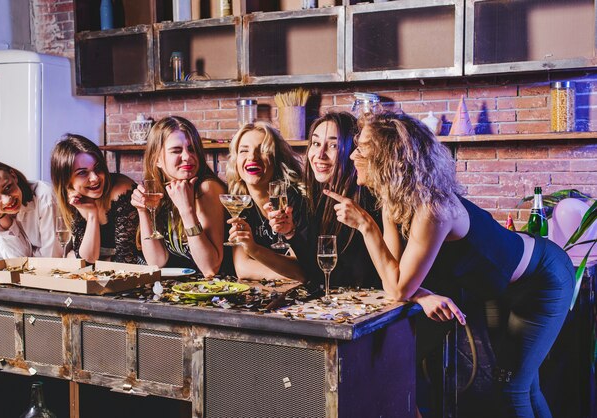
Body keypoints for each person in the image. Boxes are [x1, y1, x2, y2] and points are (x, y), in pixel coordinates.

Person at [324, 111, 574, 418]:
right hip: (501, 288)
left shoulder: (434, 207)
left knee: (512, 386)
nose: (352, 154)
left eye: (361, 147)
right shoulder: (395, 198)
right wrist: (421, 294)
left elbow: (399, 286)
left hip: (542, 279)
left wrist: (366, 227)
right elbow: (395, 273)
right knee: (521, 384)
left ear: (386, 156)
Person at [268, 111, 382, 290]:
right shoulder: (317, 198)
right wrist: (291, 233)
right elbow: (317, 273)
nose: (320, 154)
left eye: (334, 146)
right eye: (316, 143)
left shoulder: (371, 200)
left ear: (352, 150)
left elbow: (357, 278)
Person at [130, 116, 225, 276]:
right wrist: (143, 211)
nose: (187, 157)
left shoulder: (207, 188)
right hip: (183, 290)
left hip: (220, 289)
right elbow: (157, 262)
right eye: (176, 150)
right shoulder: (162, 191)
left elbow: (210, 268)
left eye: (192, 149)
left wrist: (187, 210)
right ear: (157, 159)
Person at [225, 122, 306, 282]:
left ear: (276, 159)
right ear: (236, 161)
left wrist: (254, 250)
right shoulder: (237, 202)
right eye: (244, 150)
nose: (252, 157)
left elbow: (301, 272)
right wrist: (288, 272)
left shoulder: (296, 199)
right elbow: (242, 268)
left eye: (262, 150)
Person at [51, 134, 141, 264]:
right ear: (66, 180)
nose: (95, 178)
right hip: (106, 273)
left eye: (98, 168)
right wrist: (92, 214)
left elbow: (127, 260)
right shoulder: (75, 196)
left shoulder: (122, 191)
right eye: (82, 172)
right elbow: (87, 259)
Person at [0, 157, 62, 258]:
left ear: (13, 176)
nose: (7, 200)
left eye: (7, 187)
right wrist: (3, 218)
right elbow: (15, 261)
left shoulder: (45, 197)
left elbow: (51, 259)